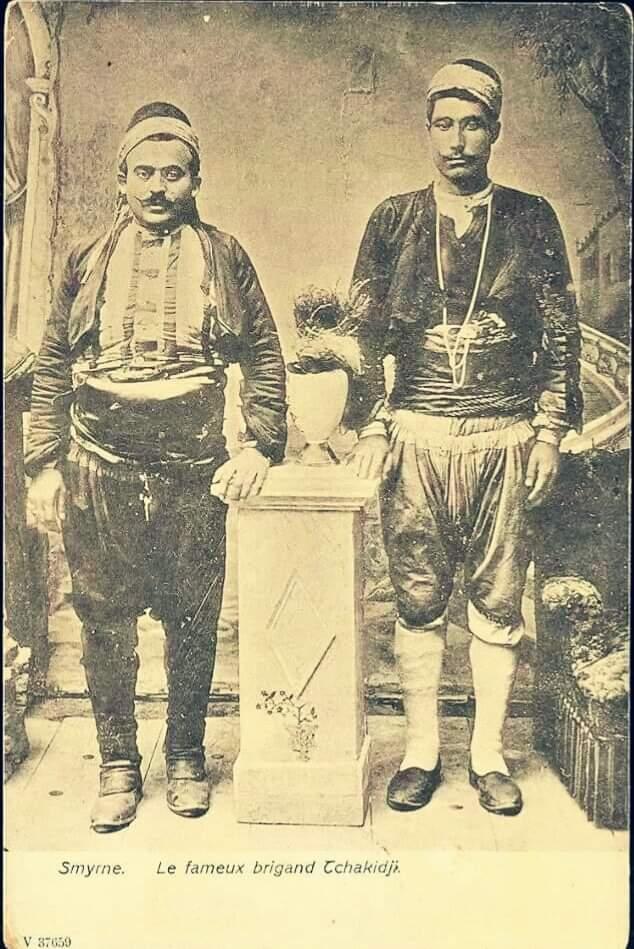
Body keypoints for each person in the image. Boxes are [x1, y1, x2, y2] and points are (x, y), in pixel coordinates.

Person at [25, 102, 287, 832]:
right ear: (121, 179)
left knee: (193, 619)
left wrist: (260, 445)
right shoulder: (86, 260)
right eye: (143, 173)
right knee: (104, 620)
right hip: (100, 465)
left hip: (193, 468)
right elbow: (52, 365)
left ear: (195, 180)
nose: (157, 187)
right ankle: (117, 763)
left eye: (173, 174)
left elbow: (265, 354)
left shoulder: (224, 256)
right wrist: (44, 463)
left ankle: (186, 756)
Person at [346, 60, 582, 815]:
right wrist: (372, 422)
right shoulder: (392, 219)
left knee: (499, 597)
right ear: (427, 130)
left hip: (503, 435)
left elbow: (560, 333)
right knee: (418, 596)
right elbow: (363, 333)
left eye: (472, 124)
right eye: (443, 124)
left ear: (496, 130)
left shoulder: (531, 218)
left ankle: (487, 756)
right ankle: (421, 752)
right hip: (416, 437)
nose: (457, 140)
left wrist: (549, 431)